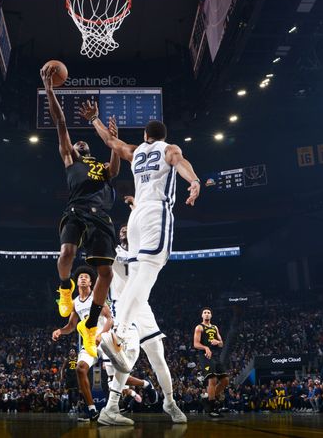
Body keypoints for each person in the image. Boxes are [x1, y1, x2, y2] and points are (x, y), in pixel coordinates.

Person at [79, 103, 200, 425]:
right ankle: (115, 340)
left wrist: (94, 120)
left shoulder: (136, 150)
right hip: (153, 215)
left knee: (154, 355)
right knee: (152, 265)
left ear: (145, 137)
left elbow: (111, 144)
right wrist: (194, 181)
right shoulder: (169, 149)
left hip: (139, 230)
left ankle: (166, 403)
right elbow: (181, 161)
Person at [41, 64, 120, 359]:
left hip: (100, 215)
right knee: (66, 255)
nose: (80, 142)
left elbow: (114, 168)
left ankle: (90, 324)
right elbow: (60, 121)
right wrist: (49, 90)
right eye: (77, 141)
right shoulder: (70, 157)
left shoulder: (100, 167)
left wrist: (113, 141)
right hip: (75, 211)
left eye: (83, 142)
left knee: (106, 273)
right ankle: (64, 287)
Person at [111, 219, 186, 424]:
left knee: (158, 358)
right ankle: (112, 406)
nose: (125, 229)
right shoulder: (113, 251)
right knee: (129, 354)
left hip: (143, 306)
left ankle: (169, 402)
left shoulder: (143, 251)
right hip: (123, 306)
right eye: (122, 228)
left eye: (129, 227)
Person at [52, 266, 114, 422]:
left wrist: (101, 335)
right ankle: (92, 410)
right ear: (77, 282)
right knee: (80, 368)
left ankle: (140, 387)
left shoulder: (97, 296)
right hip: (89, 342)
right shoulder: (74, 303)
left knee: (118, 374)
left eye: (87, 276)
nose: (83, 278)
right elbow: (71, 326)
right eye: (81, 277)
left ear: (91, 282)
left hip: (104, 339)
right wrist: (60, 331)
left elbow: (110, 319)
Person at [193, 308, 229, 418]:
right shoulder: (199, 327)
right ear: (202, 316)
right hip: (205, 356)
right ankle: (212, 408)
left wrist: (218, 342)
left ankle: (208, 399)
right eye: (205, 312)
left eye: (208, 312)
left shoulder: (215, 327)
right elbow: (195, 344)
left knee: (225, 380)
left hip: (216, 356)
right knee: (212, 379)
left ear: (211, 315)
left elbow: (222, 344)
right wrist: (205, 348)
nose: (207, 314)